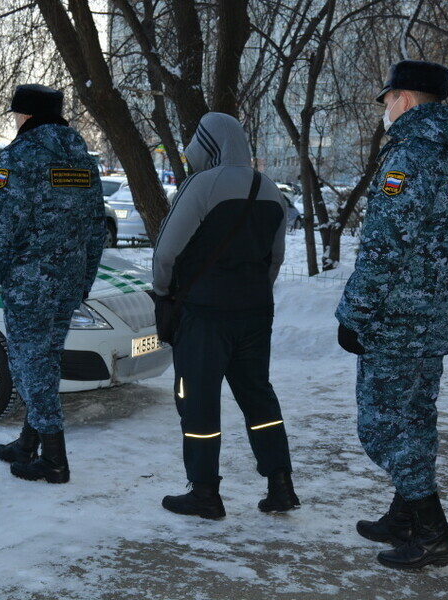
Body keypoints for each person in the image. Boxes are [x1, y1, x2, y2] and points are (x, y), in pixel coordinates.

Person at [335, 60, 448, 569]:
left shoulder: (412, 154)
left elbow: (384, 245)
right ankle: (403, 516)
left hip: (399, 317)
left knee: (383, 427)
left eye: (388, 99)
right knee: (416, 416)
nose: (386, 110)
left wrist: (354, 312)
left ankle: (434, 533)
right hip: (437, 314)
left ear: (404, 97)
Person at [153, 112, 298, 519]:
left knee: (198, 399)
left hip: (204, 314)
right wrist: (253, 293)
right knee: (257, 395)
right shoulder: (269, 189)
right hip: (254, 313)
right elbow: (276, 260)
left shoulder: (202, 185)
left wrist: (164, 293)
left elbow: (166, 252)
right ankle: (280, 483)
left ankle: (204, 492)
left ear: (206, 145)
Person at [0, 84, 106, 483]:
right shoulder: (84, 162)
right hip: (66, 283)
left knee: (29, 364)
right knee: (45, 361)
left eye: (17, 114)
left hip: (29, 285)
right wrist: (83, 280)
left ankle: (54, 460)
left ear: (27, 116)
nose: (16, 120)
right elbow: (96, 229)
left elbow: (0, 224)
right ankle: (26, 443)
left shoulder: (18, 158)